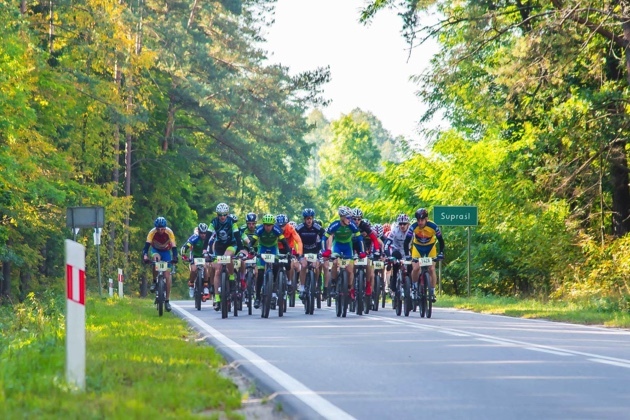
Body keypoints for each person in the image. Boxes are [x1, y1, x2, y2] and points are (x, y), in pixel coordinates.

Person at [321, 206, 366, 301]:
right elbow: (324, 238)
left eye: (350, 217)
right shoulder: (334, 225)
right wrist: (324, 251)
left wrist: (362, 251)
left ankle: (349, 288)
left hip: (347, 247)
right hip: (337, 245)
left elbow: (360, 238)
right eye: (348, 218)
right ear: (341, 217)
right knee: (335, 262)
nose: (350, 220)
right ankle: (333, 283)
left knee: (350, 269)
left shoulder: (352, 225)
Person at [250, 214, 292, 309]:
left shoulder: (277, 230)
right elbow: (252, 242)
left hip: (273, 248)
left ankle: (273, 286)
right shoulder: (260, 229)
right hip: (262, 248)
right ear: (263, 224)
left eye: (270, 225)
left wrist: (289, 252)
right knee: (260, 273)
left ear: (273, 225)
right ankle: (257, 297)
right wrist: (251, 249)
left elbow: (285, 243)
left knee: (276, 265)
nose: (268, 227)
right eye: (266, 225)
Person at [208, 203, 244, 311]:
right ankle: (217, 299)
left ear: (227, 214)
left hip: (231, 245)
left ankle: (232, 278)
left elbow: (238, 236)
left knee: (227, 256)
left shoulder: (231, 222)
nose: (222, 217)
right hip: (219, 246)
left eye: (224, 214)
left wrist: (241, 249)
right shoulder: (214, 222)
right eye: (220, 215)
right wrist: (205, 250)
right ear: (217, 214)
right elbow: (208, 238)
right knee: (218, 270)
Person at [405, 208, 445, 302]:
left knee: (431, 269)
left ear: (426, 219)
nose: (420, 222)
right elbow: (406, 241)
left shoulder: (433, 226)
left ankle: (432, 292)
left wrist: (441, 252)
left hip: (430, 248)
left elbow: (441, 240)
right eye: (418, 220)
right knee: (415, 268)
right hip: (417, 248)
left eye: (422, 220)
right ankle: (414, 288)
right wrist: (407, 254)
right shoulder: (413, 227)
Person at [142, 216, 178, 312]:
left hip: (166, 252)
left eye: (162, 229)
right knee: (155, 259)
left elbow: (174, 246)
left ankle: (167, 301)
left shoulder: (169, 232)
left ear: (165, 228)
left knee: (167, 275)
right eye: (158, 229)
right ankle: (154, 281)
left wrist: (175, 257)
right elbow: (146, 247)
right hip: (156, 250)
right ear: (156, 228)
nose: (161, 231)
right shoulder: (152, 232)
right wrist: (145, 256)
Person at [296, 208, 326, 300]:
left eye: (310, 218)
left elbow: (325, 237)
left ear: (313, 219)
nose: (309, 220)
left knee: (316, 266)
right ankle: (302, 287)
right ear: (304, 219)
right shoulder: (299, 228)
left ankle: (315, 283)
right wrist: (296, 252)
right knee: (304, 266)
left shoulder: (317, 227)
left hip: (315, 250)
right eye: (307, 219)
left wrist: (323, 251)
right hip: (303, 250)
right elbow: (294, 239)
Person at [351, 208, 381, 298]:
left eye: (359, 219)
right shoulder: (349, 225)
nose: (357, 221)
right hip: (352, 247)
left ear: (361, 219)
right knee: (352, 266)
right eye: (354, 219)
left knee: (369, 265)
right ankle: (351, 288)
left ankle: (368, 285)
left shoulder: (364, 226)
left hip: (363, 248)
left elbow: (374, 239)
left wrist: (377, 251)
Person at [180, 222, 212, 300]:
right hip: (195, 256)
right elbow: (185, 247)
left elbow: (215, 246)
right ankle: (191, 284)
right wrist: (183, 255)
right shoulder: (194, 237)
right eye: (201, 233)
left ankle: (205, 286)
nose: (203, 235)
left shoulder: (210, 238)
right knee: (193, 270)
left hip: (204, 256)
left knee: (206, 268)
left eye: (205, 233)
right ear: (199, 232)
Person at [383, 213, 412, 296]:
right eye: (400, 224)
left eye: (404, 224)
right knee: (395, 266)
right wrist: (389, 256)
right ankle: (394, 286)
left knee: (411, 268)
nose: (402, 226)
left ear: (408, 224)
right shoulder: (395, 230)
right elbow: (387, 244)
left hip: (407, 251)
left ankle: (411, 287)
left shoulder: (411, 231)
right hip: (397, 251)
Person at [276, 214, 303, 292]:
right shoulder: (274, 228)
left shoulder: (291, 228)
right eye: (279, 226)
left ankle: (289, 281)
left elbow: (298, 241)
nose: (282, 228)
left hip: (287, 248)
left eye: (284, 225)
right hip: (276, 248)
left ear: (287, 224)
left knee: (289, 264)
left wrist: (299, 253)